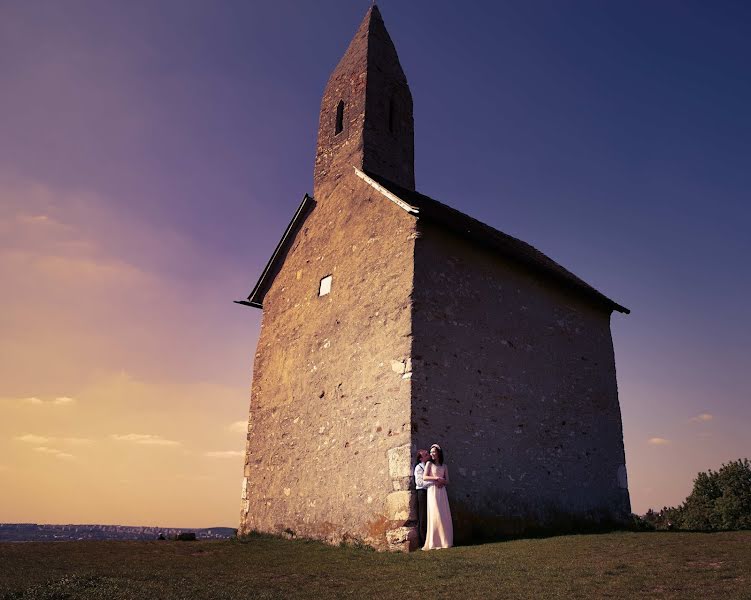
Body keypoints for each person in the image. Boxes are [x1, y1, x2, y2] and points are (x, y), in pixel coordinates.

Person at [422, 443, 453, 550]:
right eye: (431, 452)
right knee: (436, 514)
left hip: (442, 490)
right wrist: (436, 479)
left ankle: (445, 541)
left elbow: (448, 480)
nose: (432, 454)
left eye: (433, 452)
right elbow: (425, 477)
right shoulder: (429, 464)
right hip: (433, 491)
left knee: (443, 514)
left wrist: (443, 481)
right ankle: (434, 542)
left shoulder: (444, 466)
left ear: (438, 453)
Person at [413, 449, 432, 547]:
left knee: (429, 515)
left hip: (430, 492)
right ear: (421, 458)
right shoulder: (418, 467)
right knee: (423, 516)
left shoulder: (429, 465)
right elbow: (419, 482)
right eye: (426, 454)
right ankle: (423, 541)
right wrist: (432, 482)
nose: (428, 455)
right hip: (422, 492)